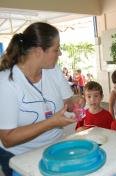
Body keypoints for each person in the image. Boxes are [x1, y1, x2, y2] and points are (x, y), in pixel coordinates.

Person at [0, 22, 82, 176]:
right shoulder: (6, 82)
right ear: (38, 51)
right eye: (56, 50)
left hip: (54, 147)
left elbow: (67, 102)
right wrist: (50, 123)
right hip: (19, 155)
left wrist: (75, 101)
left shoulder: (53, 70)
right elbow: (7, 139)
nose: (60, 54)